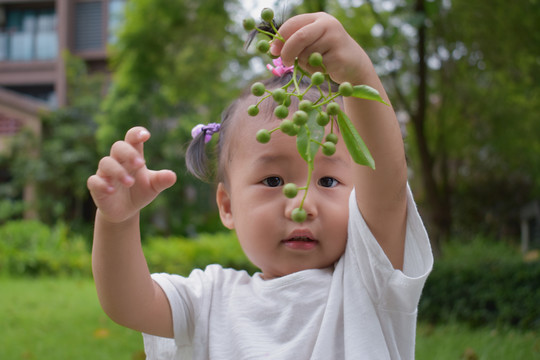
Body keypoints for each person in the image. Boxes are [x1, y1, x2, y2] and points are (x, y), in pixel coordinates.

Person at [87, 12, 433, 360]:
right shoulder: (211, 299)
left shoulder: (369, 283)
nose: (301, 205)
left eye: (328, 181)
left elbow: (387, 183)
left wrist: (358, 74)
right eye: (272, 181)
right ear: (227, 205)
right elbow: (128, 303)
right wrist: (117, 222)